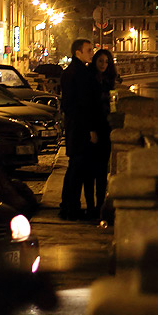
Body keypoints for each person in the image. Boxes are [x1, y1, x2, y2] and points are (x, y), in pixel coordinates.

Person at [58, 39, 96, 220]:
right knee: (76, 169)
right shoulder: (79, 73)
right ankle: (69, 208)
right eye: (89, 50)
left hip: (75, 127)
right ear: (78, 52)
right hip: (80, 129)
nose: (92, 53)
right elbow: (82, 105)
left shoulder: (72, 71)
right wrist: (90, 129)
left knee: (75, 168)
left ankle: (69, 205)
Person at [85, 48, 119, 221]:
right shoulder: (90, 80)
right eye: (100, 61)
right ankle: (91, 207)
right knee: (91, 170)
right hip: (94, 128)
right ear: (95, 62)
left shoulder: (109, 81)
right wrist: (91, 130)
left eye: (106, 62)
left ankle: (100, 206)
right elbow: (89, 106)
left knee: (102, 170)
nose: (104, 65)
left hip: (106, 128)